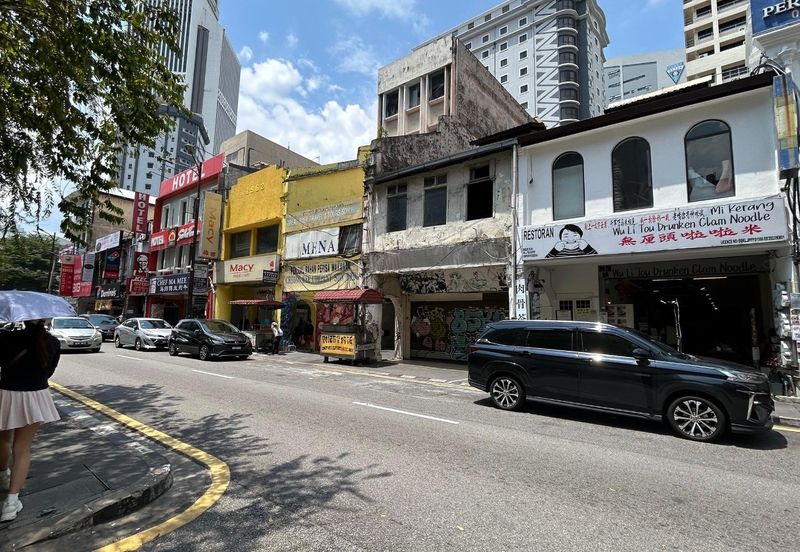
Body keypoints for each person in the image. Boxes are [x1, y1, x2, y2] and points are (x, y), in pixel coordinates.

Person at [0, 320, 61, 522]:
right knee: (22, 449)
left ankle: (2, 475)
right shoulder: (52, 342)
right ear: (45, 320)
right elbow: (49, 372)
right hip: (36, 395)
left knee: (3, 440)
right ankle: (11, 503)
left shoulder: (7, 337)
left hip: (6, 394)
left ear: (23, 320)